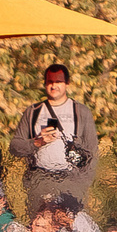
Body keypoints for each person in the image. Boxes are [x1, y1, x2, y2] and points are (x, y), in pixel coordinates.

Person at [9, 63, 99, 218]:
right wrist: (37, 143)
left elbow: (92, 151)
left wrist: (82, 184)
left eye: (58, 82)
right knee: (40, 230)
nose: (53, 85)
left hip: (71, 180)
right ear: (44, 83)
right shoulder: (33, 112)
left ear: (67, 84)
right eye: (50, 81)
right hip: (41, 180)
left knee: (71, 230)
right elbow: (15, 147)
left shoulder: (81, 112)